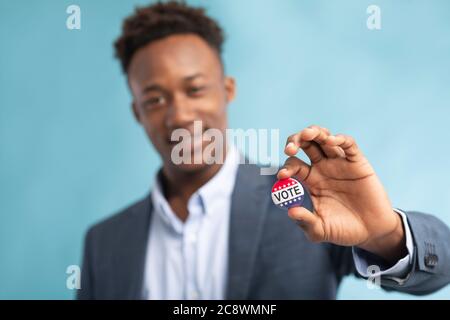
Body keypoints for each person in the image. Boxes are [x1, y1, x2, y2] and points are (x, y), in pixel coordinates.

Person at [77, 1, 450, 299]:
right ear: (137, 112)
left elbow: (442, 269)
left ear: (228, 90)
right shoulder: (104, 244)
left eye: (195, 90)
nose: (180, 114)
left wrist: (384, 234)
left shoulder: (305, 199)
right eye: (155, 99)